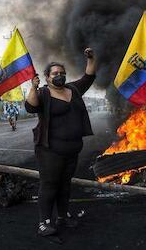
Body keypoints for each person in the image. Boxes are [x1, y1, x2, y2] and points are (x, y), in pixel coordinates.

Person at [25, 47, 96, 237]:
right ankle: (44, 221)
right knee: (49, 184)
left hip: (72, 148)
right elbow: (30, 107)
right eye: (55, 73)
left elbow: (88, 77)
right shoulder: (43, 93)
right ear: (47, 77)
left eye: (62, 73)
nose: (60, 76)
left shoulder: (72, 89)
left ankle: (63, 216)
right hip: (50, 150)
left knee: (65, 184)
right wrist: (33, 87)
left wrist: (90, 59)